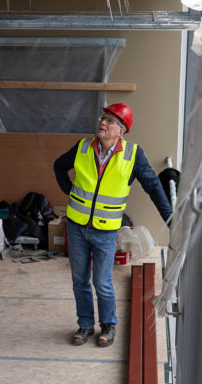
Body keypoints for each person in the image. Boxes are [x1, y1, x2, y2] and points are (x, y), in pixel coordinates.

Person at [53, 103, 173, 348]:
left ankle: (108, 324)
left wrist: (171, 218)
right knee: (79, 279)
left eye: (110, 120)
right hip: (76, 225)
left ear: (122, 130)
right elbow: (58, 165)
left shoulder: (133, 155)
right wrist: (69, 191)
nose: (103, 123)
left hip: (105, 230)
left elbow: (153, 187)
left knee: (102, 282)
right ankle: (85, 324)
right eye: (103, 118)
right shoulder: (83, 147)